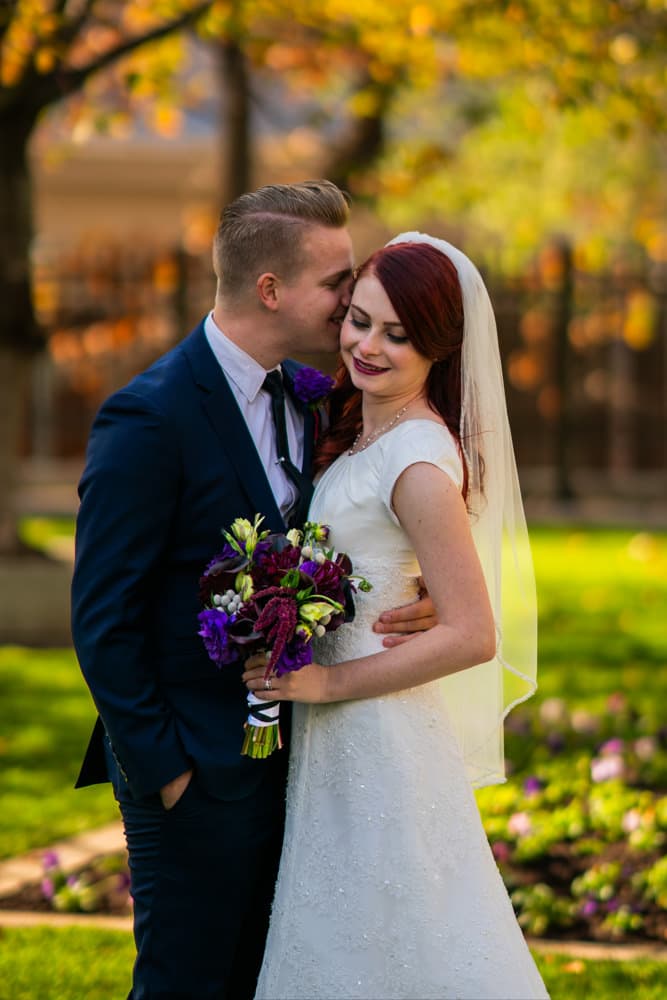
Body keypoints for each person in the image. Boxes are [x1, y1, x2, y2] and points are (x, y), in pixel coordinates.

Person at [71, 183, 436, 1000]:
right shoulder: (148, 419)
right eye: (337, 281)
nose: (353, 297)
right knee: (184, 984)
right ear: (270, 290)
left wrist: (425, 593)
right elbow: (103, 623)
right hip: (193, 766)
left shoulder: (309, 398)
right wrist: (170, 774)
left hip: (295, 758)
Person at [244, 234, 549, 999]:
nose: (366, 345)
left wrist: (327, 684)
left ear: (438, 347)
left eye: (397, 335)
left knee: (396, 928)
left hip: (379, 730)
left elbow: (473, 633)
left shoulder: (414, 458)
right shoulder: (359, 428)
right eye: (357, 320)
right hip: (339, 732)